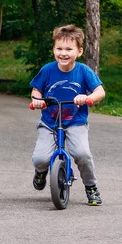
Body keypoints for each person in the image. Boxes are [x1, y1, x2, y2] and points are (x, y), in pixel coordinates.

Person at [29, 24, 106, 205]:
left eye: (69, 49)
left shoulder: (83, 71)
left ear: (79, 51)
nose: (63, 53)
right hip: (50, 121)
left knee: (82, 154)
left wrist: (87, 98)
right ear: (53, 49)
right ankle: (41, 172)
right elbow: (36, 91)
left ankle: (91, 187)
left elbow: (100, 91)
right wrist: (37, 100)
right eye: (59, 49)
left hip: (75, 121)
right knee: (40, 158)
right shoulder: (48, 70)